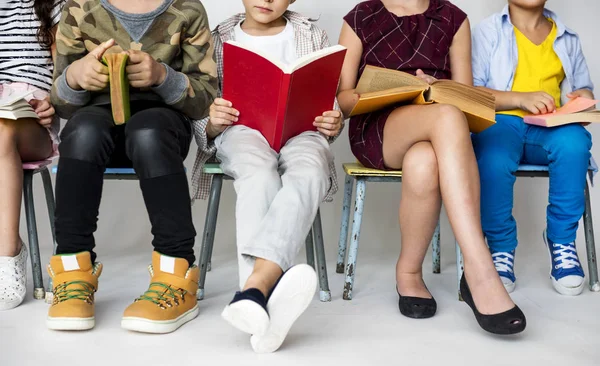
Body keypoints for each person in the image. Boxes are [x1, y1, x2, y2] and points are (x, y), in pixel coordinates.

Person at [336, 0, 526, 334]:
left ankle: (408, 272)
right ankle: (479, 268)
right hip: (379, 129)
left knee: (424, 159)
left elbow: (467, 97)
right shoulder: (361, 16)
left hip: (437, 128)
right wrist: (394, 88)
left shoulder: (454, 19)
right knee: (447, 117)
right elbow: (342, 100)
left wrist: (431, 90)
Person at [46, 0, 217, 333]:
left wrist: (163, 76)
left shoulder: (188, 9)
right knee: (82, 133)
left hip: (161, 133)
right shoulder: (80, 7)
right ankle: (72, 271)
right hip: (96, 129)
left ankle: (176, 274)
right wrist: (76, 76)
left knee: (148, 132)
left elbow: (207, 98)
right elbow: (60, 101)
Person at [191, 0, 343, 352]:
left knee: (309, 170)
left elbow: (328, 100)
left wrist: (333, 121)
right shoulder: (217, 40)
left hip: (302, 131)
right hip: (243, 130)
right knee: (258, 174)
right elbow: (199, 106)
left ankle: (254, 292)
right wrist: (210, 120)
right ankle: (262, 293)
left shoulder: (311, 35)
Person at [472, 0, 595, 296]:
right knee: (494, 158)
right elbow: (471, 92)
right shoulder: (486, 31)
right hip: (501, 123)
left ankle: (562, 241)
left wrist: (582, 97)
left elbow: (586, 89)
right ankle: (500, 247)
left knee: (576, 143)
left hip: (549, 127)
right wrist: (519, 98)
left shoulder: (567, 37)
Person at [0, 0, 65, 311]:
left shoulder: (52, 4)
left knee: (3, 129)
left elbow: (65, 72)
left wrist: (54, 101)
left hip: (33, 119)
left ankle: (8, 252)